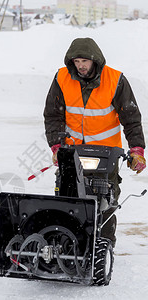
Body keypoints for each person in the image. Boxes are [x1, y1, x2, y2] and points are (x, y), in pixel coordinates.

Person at [44, 37, 146, 247]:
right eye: (76, 61)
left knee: (106, 197)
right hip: (72, 150)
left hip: (106, 153)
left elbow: (131, 118)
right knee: (67, 194)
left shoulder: (116, 80)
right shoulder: (62, 78)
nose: (80, 66)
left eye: (84, 61)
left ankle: (105, 244)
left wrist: (136, 150)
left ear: (95, 60)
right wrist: (56, 147)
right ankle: (67, 241)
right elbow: (53, 115)